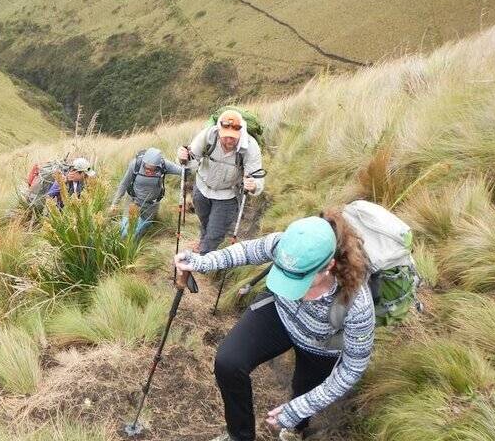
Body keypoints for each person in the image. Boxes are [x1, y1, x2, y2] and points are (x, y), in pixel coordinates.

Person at [174, 209, 374, 441]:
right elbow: (246, 251)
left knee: (302, 395)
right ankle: (240, 436)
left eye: (301, 280)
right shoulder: (285, 245)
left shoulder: (357, 304)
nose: (295, 291)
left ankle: (295, 430)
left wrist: (300, 407)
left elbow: (353, 368)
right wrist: (202, 262)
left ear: (328, 265)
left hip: (320, 345)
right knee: (228, 362)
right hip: (279, 313)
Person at [177, 109, 264, 254]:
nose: (229, 141)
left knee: (215, 233)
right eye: (225, 136)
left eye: (233, 137)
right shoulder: (207, 136)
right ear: (218, 130)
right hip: (202, 188)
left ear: (241, 132)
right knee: (205, 221)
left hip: (227, 195)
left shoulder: (250, 146)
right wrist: (183, 157)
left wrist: (253, 185)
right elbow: (191, 162)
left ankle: (204, 258)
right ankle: (204, 241)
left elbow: (257, 178)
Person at [110, 147, 183, 238]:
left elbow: (184, 171)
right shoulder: (135, 164)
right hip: (133, 202)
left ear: (158, 166)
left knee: (136, 233)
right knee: (125, 233)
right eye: (146, 168)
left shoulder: (164, 165)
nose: (149, 171)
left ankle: (147, 223)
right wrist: (114, 203)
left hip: (150, 206)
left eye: (153, 169)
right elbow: (124, 184)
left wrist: (186, 159)